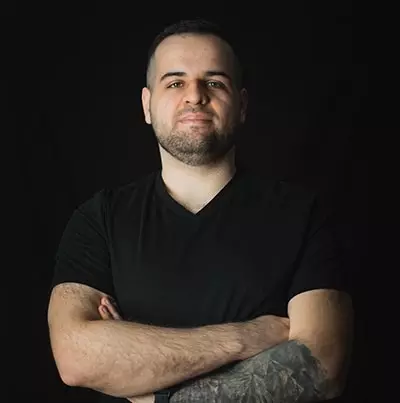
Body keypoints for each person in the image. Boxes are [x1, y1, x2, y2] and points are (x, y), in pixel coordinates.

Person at [47, 19, 354, 403]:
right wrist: (246, 336)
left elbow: (321, 367)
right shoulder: (99, 220)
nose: (195, 96)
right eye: (175, 83)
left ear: (242, 105)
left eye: (215, 82)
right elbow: (76, 357)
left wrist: (154, 396)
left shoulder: (303, 215)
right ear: (146, 105)